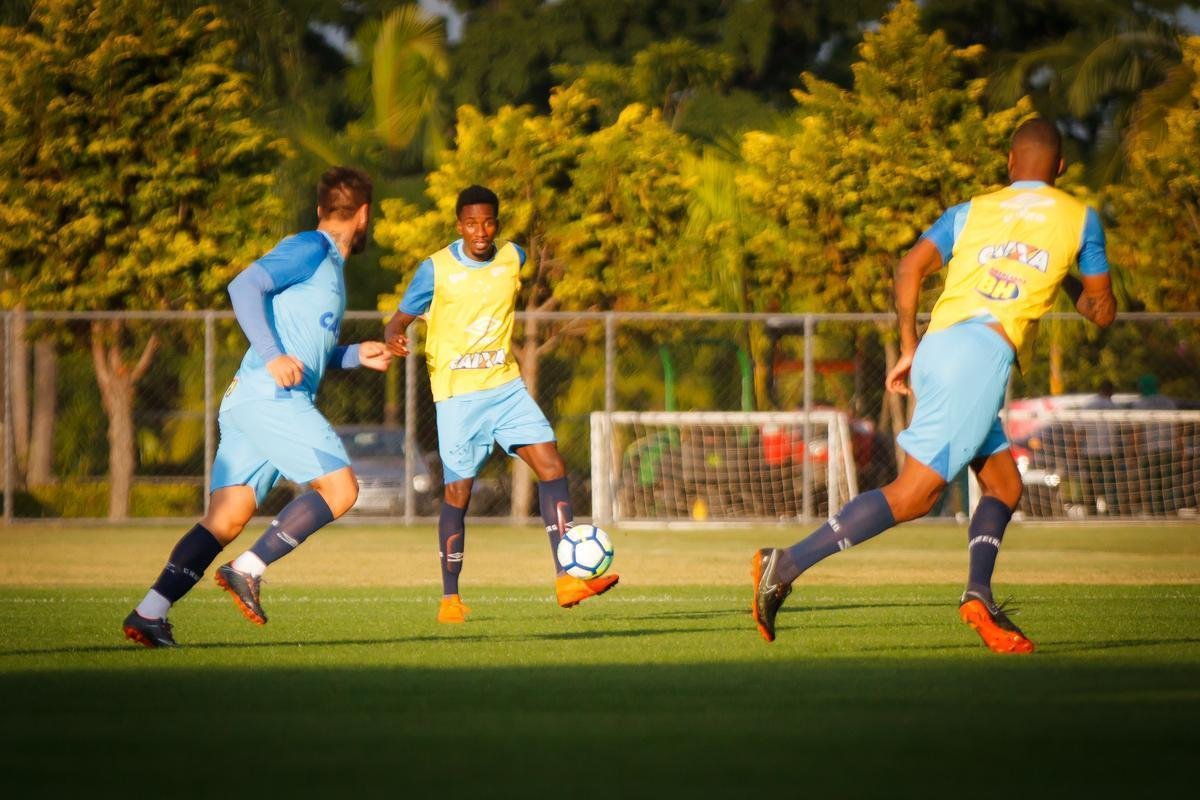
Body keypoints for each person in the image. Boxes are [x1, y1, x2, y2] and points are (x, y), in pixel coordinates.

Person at [752, 118, 1117, 653]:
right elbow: (1100, 311)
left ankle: (979, 595)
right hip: (980, 359)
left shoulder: (972, 210)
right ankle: (785, 564)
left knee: (1004, 485)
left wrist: (909, 346)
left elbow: (910, 268)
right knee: (915, 495)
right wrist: (1069, 276)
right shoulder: (1080, 218)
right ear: (1060, 167)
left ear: (1010, 163)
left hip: (939, 346)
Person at [122, 167, 390, 648]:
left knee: (226, 519)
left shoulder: (327, 267)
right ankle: (247, 567)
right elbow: (244, 287)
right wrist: (272, 356)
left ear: (321, 207)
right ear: (365, 214)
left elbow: (304, 350)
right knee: (341, 489)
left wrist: (354, 354)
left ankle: (149, 614)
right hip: (271, 398)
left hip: (252, 399)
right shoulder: (312, 247)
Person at [383, 185, 619, 623]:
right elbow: (398, 319)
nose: (481, 231)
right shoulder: (435, 269)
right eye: (471, 223)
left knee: (552, 466)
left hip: (506, 388)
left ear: (497, 224)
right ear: (459, 225)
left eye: (488, 222)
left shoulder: (514, 257)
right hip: (458, 397)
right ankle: (450, 599)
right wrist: (394, 336)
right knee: (458, 493)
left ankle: (567, 577)